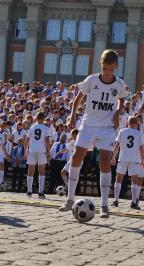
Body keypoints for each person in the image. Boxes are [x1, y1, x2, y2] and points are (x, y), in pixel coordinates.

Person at [59, 49, 126, 218]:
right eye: (105, 69)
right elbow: (78, 98)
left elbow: (122, 99)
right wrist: (72, 116)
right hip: (88, 125)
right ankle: (69, 199)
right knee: (76, 156)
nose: (108, 72)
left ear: (116, 67)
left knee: (105, 161)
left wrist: (118, 112)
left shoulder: (119, 84)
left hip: (107, 127)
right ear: (101, 65)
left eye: (111, 70)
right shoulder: (92, 80)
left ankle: (104, 204)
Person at [112, 116, 144, 209]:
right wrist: (142, 160)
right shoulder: (139, 133)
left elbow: (116, 145)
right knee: (134, 181)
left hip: (123, 158)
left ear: (128, 123)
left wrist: (113, 156)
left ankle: (116, 200)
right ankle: (134, 202)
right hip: (134, 159)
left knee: (119, 179)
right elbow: (141, 148)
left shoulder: (122, 131)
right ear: (136, 124)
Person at [24, 112, 51, 199]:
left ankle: (29, 191)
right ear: (43, 119)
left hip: (32, 150)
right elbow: (47, 140)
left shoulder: (32, 127)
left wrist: (25, 151)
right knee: (41, 171)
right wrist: (49, 151)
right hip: (41, 150)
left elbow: (27, 140)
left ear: (37, 118)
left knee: (30, 170)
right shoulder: (45, 128)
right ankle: (40, 191)